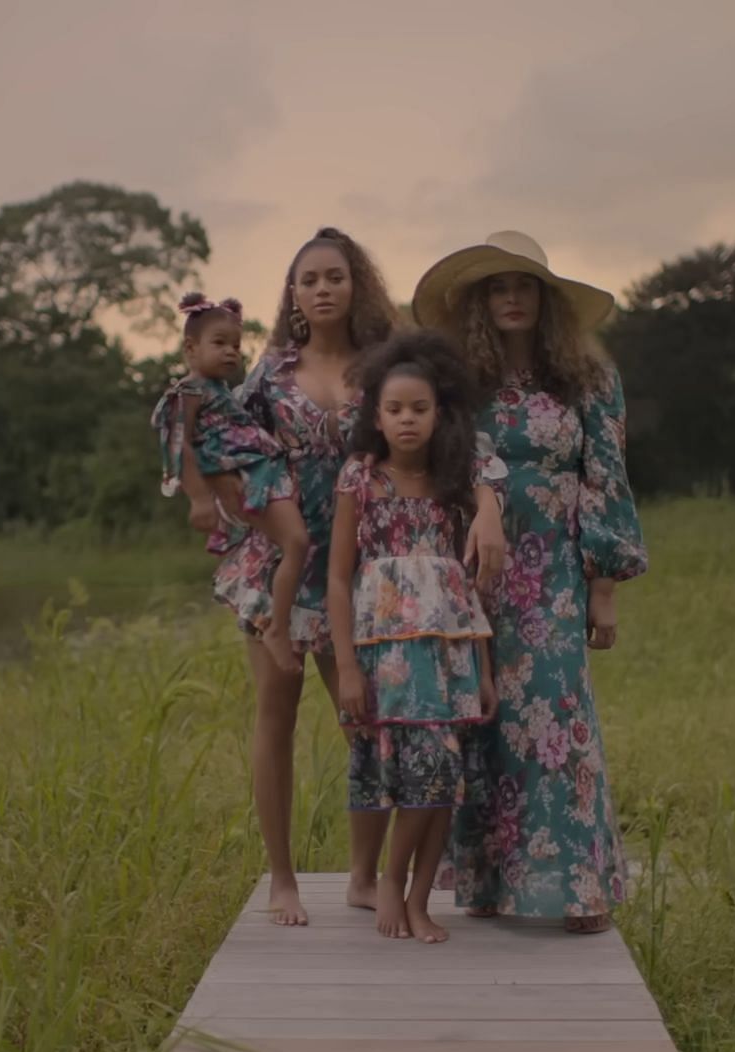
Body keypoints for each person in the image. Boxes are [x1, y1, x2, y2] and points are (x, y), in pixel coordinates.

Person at [206, 227, 508, 927]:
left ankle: (365, 876)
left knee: (370, 723)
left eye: (334, 276)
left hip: (369, 572)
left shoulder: (385, 368)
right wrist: (217, 500)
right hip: (284, 563)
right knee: (275, 715)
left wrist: (488, 501)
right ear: (293, 294)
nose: (322, 288)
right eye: (307, 278)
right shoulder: (268, 377)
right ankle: (282, 878)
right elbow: (223, 445)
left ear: (355, 284)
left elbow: (463, 441)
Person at [412, 231, 648, 934]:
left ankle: (578, 887)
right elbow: (442, 459)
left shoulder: (590, 380)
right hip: (475, 566)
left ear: (545, 300)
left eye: (523, 286)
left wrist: (603, 584)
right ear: (481, 303)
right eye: (497, 287)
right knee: (483, 718)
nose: (511, 297)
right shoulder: (458, 381)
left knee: (556, 715)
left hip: (555, 569)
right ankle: (489, 882)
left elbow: (607, 478)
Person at [327, 332, 496, 944]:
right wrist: (346, 667)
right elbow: (339, 578)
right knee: (409, 778)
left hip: (447, 660)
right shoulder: (360, 480)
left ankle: (419, 897)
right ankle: (390, 884)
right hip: (387, 661)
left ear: (437, 414)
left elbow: (464, 592)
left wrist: (483, 668)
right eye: (395, 409)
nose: (407, 419)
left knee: (443, 780)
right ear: (376, 415)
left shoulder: (452, 483)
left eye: (419, 409)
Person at [150, 292, 310, 673]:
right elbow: (179, 444)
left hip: (263, 472)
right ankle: (276, 628)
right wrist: (200, 499)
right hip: (248, 479)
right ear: (190, 348)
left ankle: (270, 616)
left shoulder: (220, 391)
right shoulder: (187, 392)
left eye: (236, 346)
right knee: (296, 542)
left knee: (289, 547)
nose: (230, 353)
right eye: (219, 343)